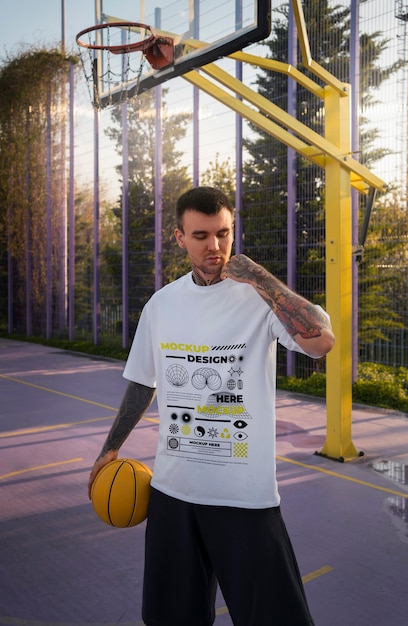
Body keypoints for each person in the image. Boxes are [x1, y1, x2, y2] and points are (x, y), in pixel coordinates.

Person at [88, 186, 335, 626]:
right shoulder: (162, 305)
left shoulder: (260, 299)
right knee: (171, 619)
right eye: (201, 235)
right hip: (172, 492)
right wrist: (110, 447)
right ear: (180, 238)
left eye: (223, 233)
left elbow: (321, 341)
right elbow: (143, 382)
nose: (215, 246)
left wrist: (260, 277)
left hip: (244, 497)